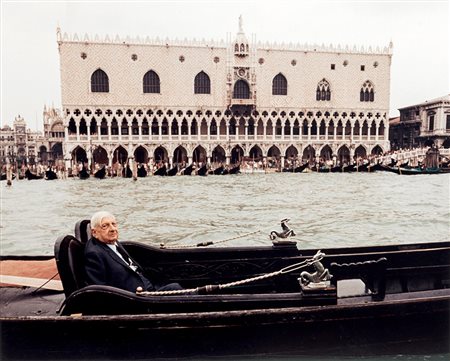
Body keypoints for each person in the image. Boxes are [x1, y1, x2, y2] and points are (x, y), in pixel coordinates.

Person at [84, 211, 182, 293]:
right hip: (136, 298)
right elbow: (99, 290)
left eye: (114, 224)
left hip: (147, 287)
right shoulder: (94, 254)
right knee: (176, 289)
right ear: (94, 232)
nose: (113, 229)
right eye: (105, 226)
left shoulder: (112, 242)